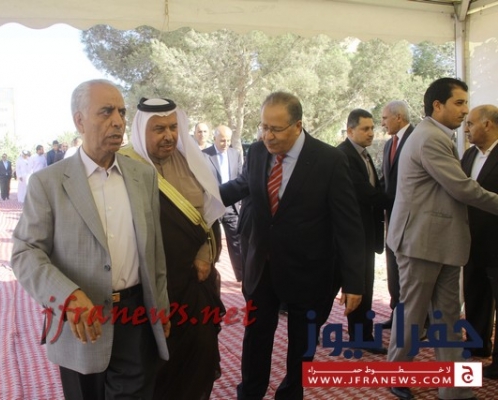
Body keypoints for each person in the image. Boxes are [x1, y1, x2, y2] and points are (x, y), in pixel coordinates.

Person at [11, 79, 170, 400]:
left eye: (122, 112)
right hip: (80, 327)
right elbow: (25, 253)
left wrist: (161, 306)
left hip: (137, 319)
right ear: (79, 121)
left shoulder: (143, 176)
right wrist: (67, 296)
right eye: (106, 112)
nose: (118, 121)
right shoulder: (48, 183)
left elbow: (154, 250)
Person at [220, 91, 366, 400]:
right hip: (262, 266)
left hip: (309, 271)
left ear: (298, 125)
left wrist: (354, 281)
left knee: (302, 344)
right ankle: (251, 393)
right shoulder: (257, 152)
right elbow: (241, 186)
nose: (267, 136)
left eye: (275, 129)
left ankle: (290, 393)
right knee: (256, 336)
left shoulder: (329, 160)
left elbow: (349, 225)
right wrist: (199, 197)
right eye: (263, 127)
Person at [386, 78, 498, 400]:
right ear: (437, 105)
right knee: (413, 314)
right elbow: (462, 188)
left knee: (447, 317)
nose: (465, 110)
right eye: (459, 103)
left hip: (443, 242)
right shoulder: (429, 138)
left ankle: (454, 388)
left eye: (466, 103)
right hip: (420, 242)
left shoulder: (437, 135)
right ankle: (396, 374)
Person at [120, 97, 226, 400]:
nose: (168, 135)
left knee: (199, 355)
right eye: (159, 129)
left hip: (193, 284)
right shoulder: (124, 165)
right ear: (141, 131)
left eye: (173, 127)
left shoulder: (191, 160)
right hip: (148, 289)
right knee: (156, 366)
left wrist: (206, 254)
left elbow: (208, 218)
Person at [337, 109, 389, 355]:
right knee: (356, 285)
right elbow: (366, 194)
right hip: (352, 234)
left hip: (365, 233)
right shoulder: (344, 156)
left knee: (364, 285)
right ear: (350, 130)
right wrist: (402, 200)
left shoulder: (364, 154)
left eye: (372, 128)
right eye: (365, 129)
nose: (371, 133)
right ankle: (361, 337)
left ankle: (361, 335)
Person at [461, 104, 498, 378]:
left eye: (471, 123)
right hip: (471, 242)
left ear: (487, 124)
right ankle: (477, 345)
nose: (466, 128)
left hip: (496, 242)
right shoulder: (469, 155)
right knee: (474, 295)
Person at [380, 100, 415, 329]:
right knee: (393, 269)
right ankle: (397, 314)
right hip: (391, 218)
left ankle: (417, 321)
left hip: (412, 220)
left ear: (399, 117)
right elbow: (387, 181)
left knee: (410, 274)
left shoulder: (416, 139)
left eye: (385, 118)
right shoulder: (387, 145)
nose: (382, 123)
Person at [203, 125, 244, 281]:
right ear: (214, 139)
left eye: (228, 140)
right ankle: (210, 277)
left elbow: (240, 178)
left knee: (237, 243)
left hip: (232, 207)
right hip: (212, 206)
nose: (225, 144)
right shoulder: (204, 155)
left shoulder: (235, 154)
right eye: (222, 140)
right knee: (212, 244)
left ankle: (242, 277)